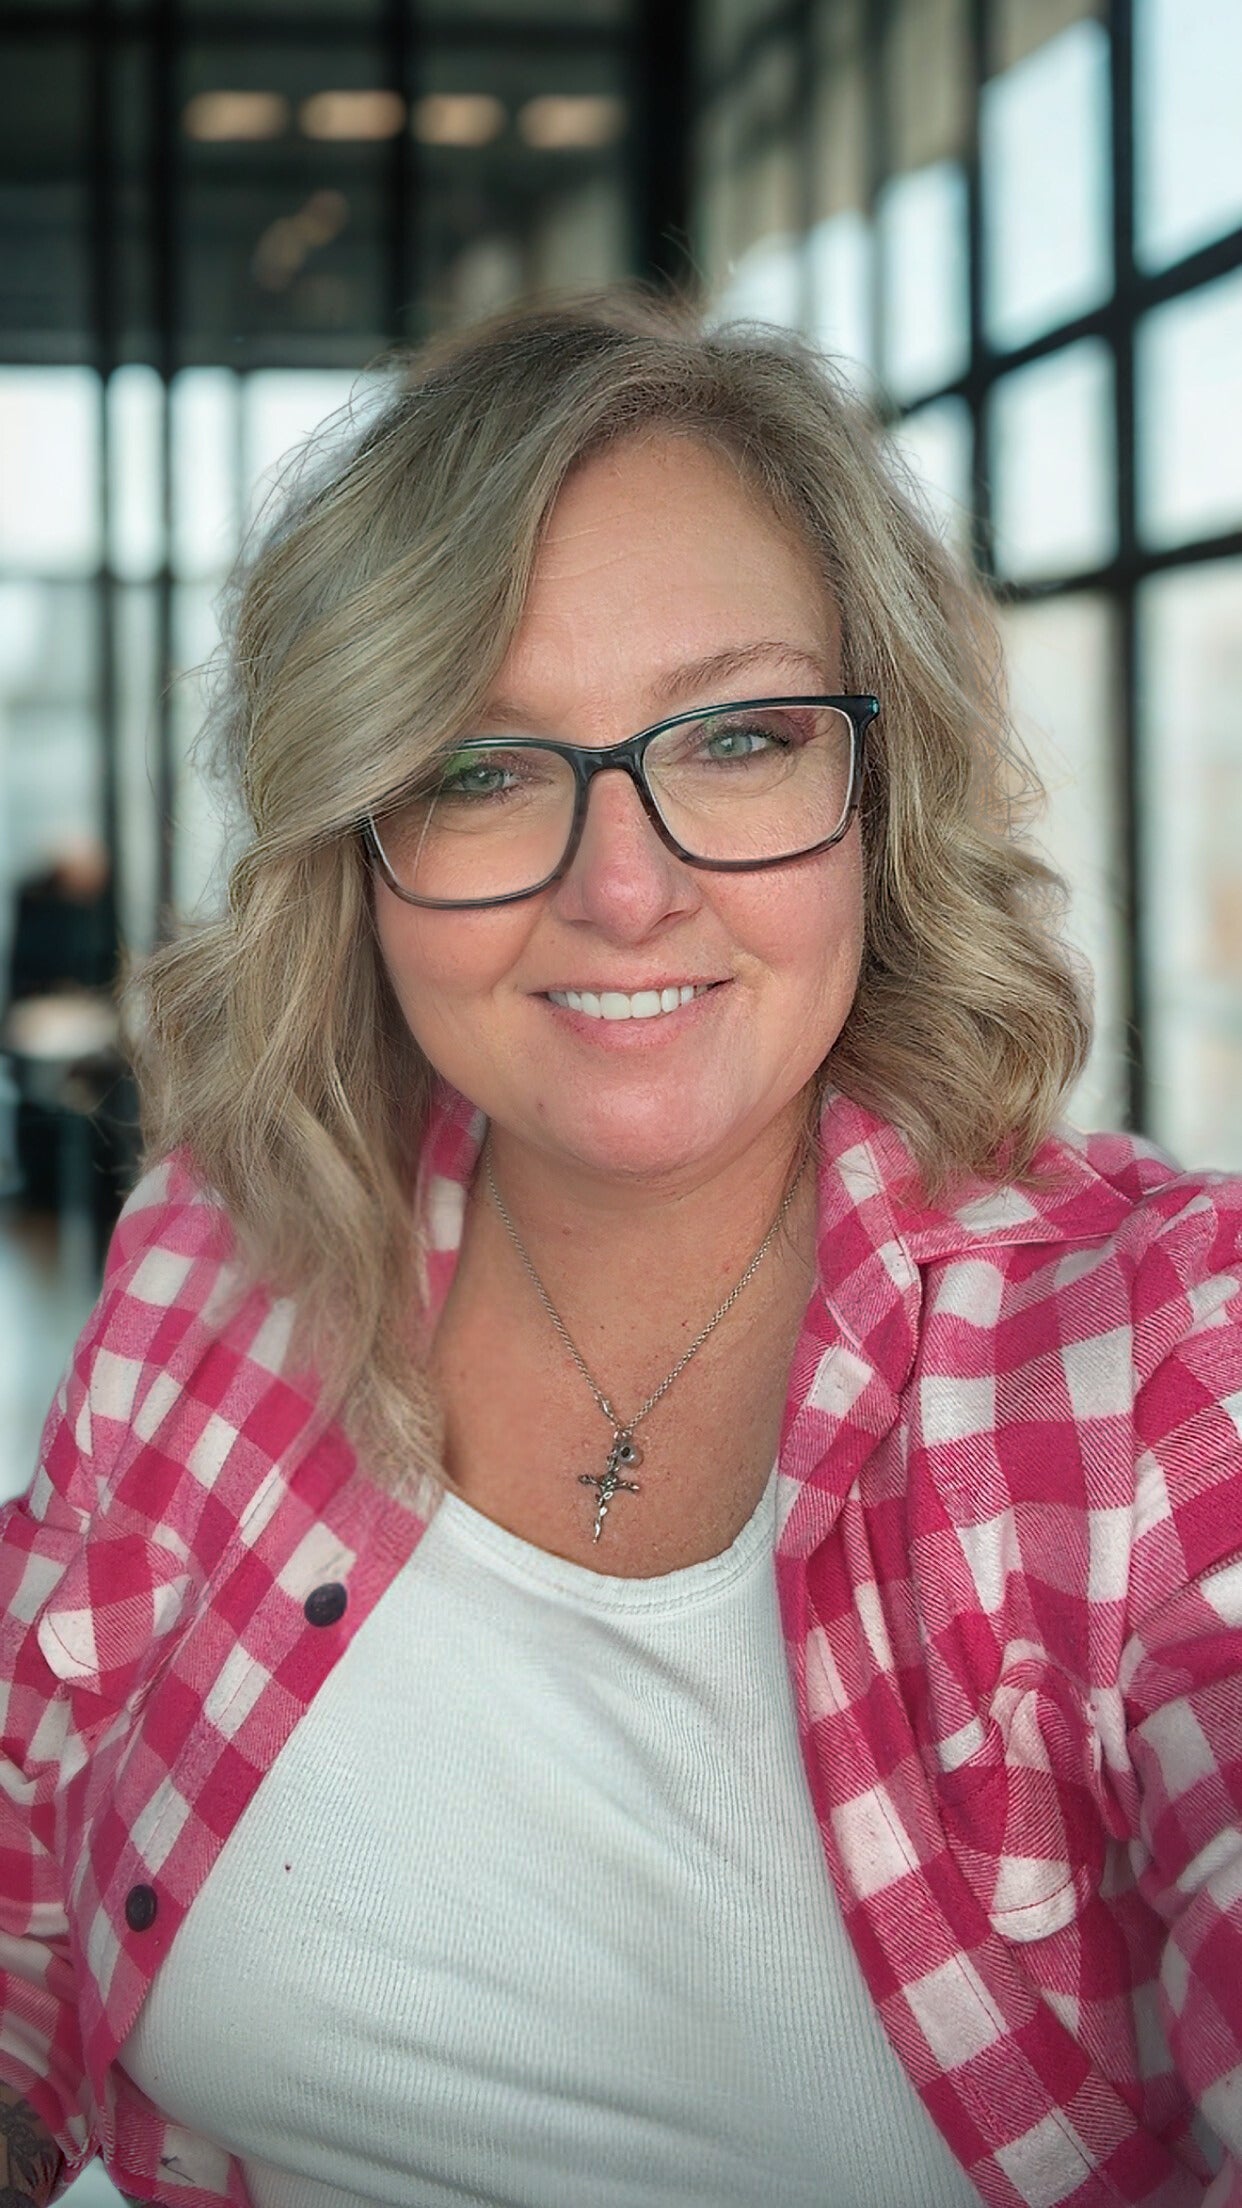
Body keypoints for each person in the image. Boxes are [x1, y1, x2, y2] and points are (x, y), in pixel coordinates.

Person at [2, 288, 1240, 2208]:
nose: (626, 888)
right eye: (481, 767)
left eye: (737, 738)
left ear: (880, 789)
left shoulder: (1162, 1358)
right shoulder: (217, 1261)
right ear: (353, 838)